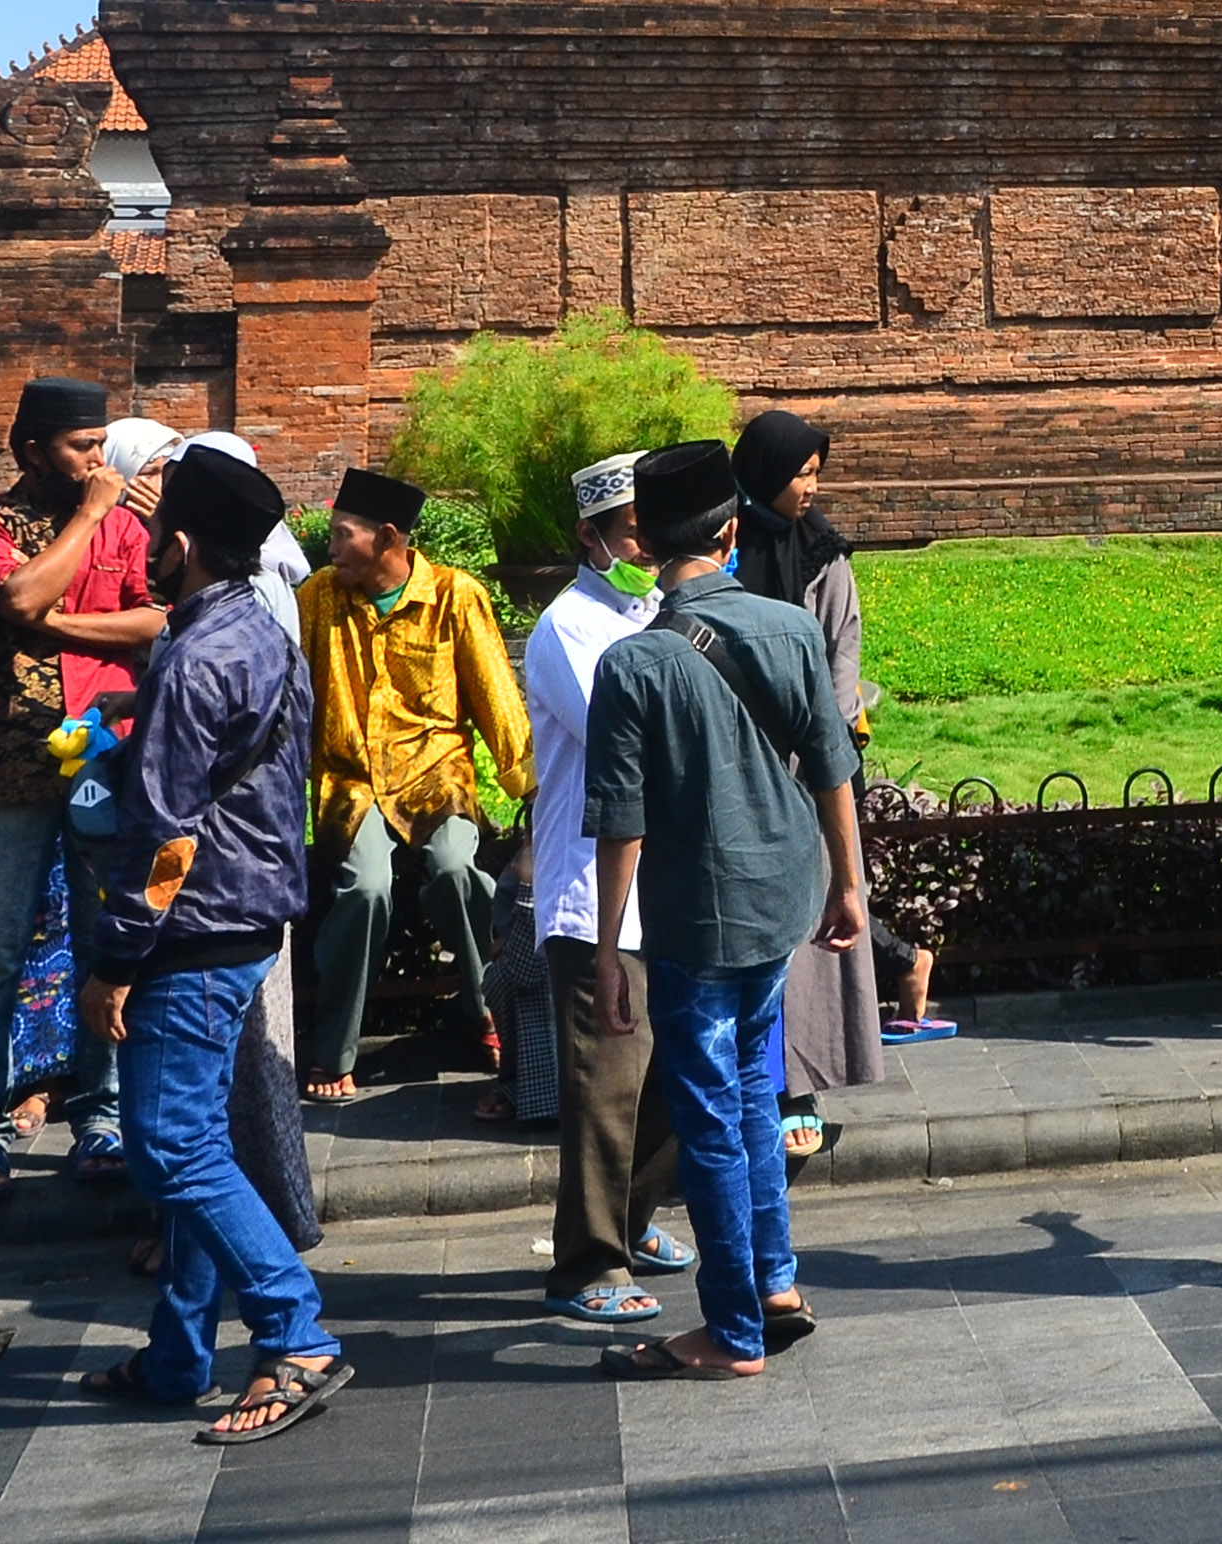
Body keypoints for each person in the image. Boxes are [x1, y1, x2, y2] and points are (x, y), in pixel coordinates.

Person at [78, 434, 348, 1445]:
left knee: (169, 1147)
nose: (146, 541)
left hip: (191, 931)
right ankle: (179, 1355)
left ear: (180, 540)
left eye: (153, 527)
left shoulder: (192, 657)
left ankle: (295, 1332)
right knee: (196, 1139)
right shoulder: (267, 632)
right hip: (253, 918)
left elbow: (165, 838)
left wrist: (113, 961)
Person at [589, 435, 869, 1380]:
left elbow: (620, 825)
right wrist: (848, 883)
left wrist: (602, 947)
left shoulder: (631, 664)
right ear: (733, 529)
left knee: (713, 1112)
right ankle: (775, 1281)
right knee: (754, 1092)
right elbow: (834, 764)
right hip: (781, 892)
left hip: (696, 915)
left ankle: (733, 1329)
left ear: (643, 541)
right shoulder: (788, 628)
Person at [0, 377, 161, 1198]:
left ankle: (99, 1114)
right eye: (82, 448)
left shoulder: (131, 529)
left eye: (103, 446)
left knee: (104, 942)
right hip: (13, 759)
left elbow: (155, 621)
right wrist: (91, 516)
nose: (100, 461)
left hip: (100, 751)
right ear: (33, 451)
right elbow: (18, 594)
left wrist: (63, 625)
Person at [515, 451, 689, 1322]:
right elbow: (630, 744)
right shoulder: (569, 630)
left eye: (656, 534)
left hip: (667, 889)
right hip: (595, 897)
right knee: (605, 1086)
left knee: (668, 1081)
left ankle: (631, 1219)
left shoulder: (667, 611)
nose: (647, 549)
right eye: (631, 534)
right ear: (590, 537)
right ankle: (588, 1263)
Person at [294, 465, 530, 1102]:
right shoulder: (317, 598)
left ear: (388, 537)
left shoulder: (455, 596)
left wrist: (530, 788)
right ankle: (333, 1047)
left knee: (457, 868)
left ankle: (485, 1007)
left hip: (434, 773)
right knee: (364, 887)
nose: (332, 547)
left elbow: (496, 699)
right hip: (353, 783)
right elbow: (289, 693)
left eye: (343, 535)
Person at [728, 411, 889, 1152]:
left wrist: (821, 745)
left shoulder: (823, 556)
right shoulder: (721, 545)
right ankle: (747, 1080)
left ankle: (804, 1085)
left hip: (808, 767)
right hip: (733, 765)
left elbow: (839, 663)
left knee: (815, 927)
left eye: (817, 473)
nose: (811, 487)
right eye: (801, 473)